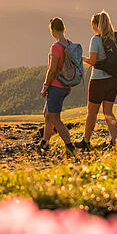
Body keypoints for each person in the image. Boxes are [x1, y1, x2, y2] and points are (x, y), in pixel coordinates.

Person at [80, 10, 117, 148]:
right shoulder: (114, 38)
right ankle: (114, 141)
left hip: (98, 80)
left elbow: (93, 61)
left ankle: (86, 141)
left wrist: (82, 59)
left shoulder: (95, 39)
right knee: (108, 112)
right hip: (114, 80)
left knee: (92, 112)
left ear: (96, 25)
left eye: (92, 24)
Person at [38, 17, 78, 153]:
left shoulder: (56, 47)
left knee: (55, 119)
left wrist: (45, 85)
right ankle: (45, 142)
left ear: (53, 30)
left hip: (56, 86)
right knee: (47, 114)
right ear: (64, 28)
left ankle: (70, 146)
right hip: (66, 85)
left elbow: (52, 69)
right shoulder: (69, 44)